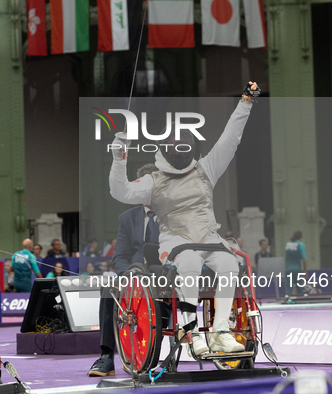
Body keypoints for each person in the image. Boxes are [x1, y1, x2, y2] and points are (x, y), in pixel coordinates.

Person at [108, 82, 260, 356]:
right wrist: (119, 159)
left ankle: (220, 330)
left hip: (208, 237)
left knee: (228, 263)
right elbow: (121, 191)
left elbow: (230, 139)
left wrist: (245, 103)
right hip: (175, 240)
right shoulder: (153, 180)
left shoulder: (204, 170)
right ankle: (188, 331)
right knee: (188, 261)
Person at [89, 163, 162, 377]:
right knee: (108, 289)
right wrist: (129, 277)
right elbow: (119, 256)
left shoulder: (173, 215)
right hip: (133, 279)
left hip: (162, 279)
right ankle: (106, 358)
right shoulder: (127, 218)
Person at [285, 231, 307, 296]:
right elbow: (304, 259)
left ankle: (288, 300)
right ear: (300, 237)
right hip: (297, 269)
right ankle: (301, 301)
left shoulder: (287, 244)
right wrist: (305, 270)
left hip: (288, 269)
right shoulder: (301, 245)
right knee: (300, 287)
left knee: (289, 288)